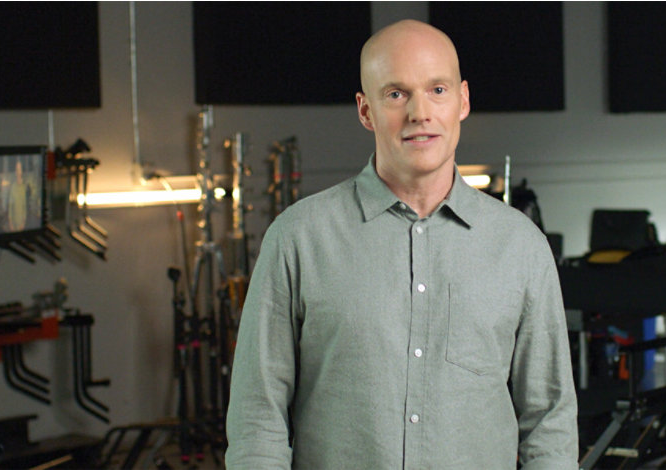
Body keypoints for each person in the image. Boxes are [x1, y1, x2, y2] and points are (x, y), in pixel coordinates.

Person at [226, 19, 578, 469]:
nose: (419, 113)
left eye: (437, 90)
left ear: (463, 100)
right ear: (365, 111)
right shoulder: (298, 238)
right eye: (396, 94)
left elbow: (549, 422)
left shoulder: (521, 247)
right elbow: (257, 418)